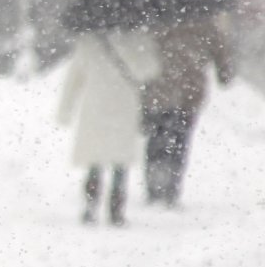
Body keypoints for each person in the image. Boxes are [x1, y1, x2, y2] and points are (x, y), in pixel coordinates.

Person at [57, 26, 160, 224]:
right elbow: (150, 70)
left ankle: (90, 205)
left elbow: (74, 77)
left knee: (96, 160)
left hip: (95, 106)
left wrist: (65, 110)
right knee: (120, 163)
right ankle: (116, 208)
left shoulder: (89, 41)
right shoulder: (136, 38)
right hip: (125, 105)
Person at [143, 14, 236, 206]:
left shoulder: (155, 20)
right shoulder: (204, 22)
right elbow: (222, 59)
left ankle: (154, 184)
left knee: (156, 139)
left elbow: (142, 53)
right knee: (180, 141)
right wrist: (224, 72)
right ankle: (172, 187)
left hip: (158, 91)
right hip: (189, 93)